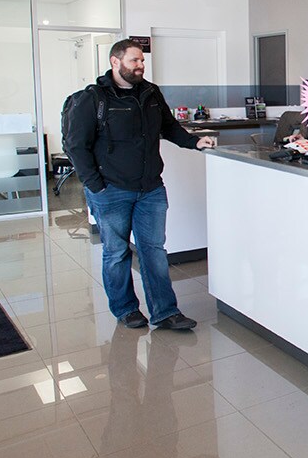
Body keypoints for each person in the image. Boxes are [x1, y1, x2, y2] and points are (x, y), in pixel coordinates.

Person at [63, 39, 217, 331]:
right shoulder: (93, 98)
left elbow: (168, 127)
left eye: (142, 61)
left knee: (154, 251)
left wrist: (194, 142)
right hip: (110, 190)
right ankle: (125, 309)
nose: (140, 66)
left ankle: (165, 312)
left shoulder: (150, 92)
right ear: (115, 61)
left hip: (150, 189)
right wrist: (95, 185)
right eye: (134, 60)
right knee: (116, 253)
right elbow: (75, 145)